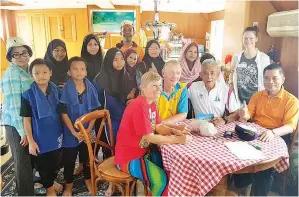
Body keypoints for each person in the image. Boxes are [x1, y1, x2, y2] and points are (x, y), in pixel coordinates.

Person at [115, 71, 191, 196]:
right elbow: (149, 137)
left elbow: (158, 126)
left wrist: (173, 131)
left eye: (160, 85)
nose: (159, 89)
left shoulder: (151, 104)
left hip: (143, 152)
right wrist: (177, 140)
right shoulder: (138, 106)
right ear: (143, 88)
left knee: (170, 171)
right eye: (154, 86)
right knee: (160, 180)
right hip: (126, 158)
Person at [235, 64, 299, 196]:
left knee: (263, 166)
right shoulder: (257, 95)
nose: (270, 82)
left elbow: (290, 126)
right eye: (266, 78)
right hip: (256, 132)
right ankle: (242, 189)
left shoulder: (291, 100)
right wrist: (243, 114)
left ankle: (259, 193)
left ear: (282, 79)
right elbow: (249, 116)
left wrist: (273, 132)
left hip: (278, 135)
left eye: (275, 78)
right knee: (237, 155)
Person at [21, 58, 63, 196]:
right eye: (37, 73)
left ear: (50, 73)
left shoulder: (56, 90)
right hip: (40, 136)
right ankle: (49, 189)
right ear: (31, 75)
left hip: (56, 133)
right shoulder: (27, 95)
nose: (41, 75)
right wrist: (31, 141)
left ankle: (51, 181)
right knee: (43, 164)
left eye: (45, 72)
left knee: (56, 161)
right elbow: (26, 120)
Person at [59, 57, 100, 196]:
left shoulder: (91, 87)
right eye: (75, 69)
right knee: (69, 160)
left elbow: (95, 111)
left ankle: (88, 180)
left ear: (86, 72)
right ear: (69, 72)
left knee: (87, 158)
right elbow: (63, 113)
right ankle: (69, 186)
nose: (79, 72)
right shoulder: (66, 88)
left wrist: (88, 130)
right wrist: (74, 132)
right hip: (70, 132)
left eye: (82, 69)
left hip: (87, 131)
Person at [0, 37, 35, 195]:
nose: (22, 57)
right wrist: (24, 132)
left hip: (25, 121)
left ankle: (30, 186)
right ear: (10, 57)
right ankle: (25, 193)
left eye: (24, 53)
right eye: (17, 54)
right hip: (16, 125)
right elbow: (15, 107)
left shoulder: (25, 70)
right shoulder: (12, 74)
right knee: (22, 163)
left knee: (28, 159)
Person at [188, 59, 239, 126]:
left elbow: (236, 114)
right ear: (200, 75)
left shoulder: (226, 90)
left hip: (218, 126)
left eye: (212, 73)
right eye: (205, 73)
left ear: (218, 75)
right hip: (199, 126)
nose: (209, 77)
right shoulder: (191, 87)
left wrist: (224, 120)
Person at [230, 26, 271, 105]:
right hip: (239, 100)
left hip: (258, 100)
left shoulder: (264, 58)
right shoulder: (236, 57)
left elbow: (267, 79)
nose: (248, 41)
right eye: (245, 38)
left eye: (251, 38)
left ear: (256, 39)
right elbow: (231, 76)